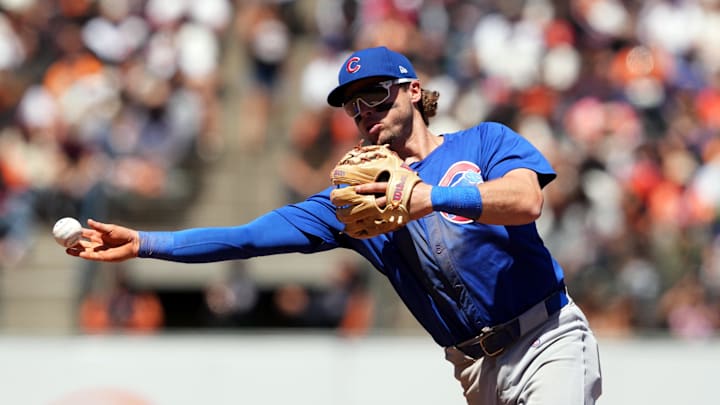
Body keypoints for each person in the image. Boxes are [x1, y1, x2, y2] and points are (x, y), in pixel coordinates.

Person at [67, 46, 602, 405]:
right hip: (472, 370)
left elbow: (526, 200)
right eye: (353, 103)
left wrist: (430, 197)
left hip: (546, 337)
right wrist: (144, 243)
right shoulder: (354, 202)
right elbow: (248, 237)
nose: (364, 109)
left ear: (413, 91)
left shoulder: (482, 143)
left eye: (376, 93)